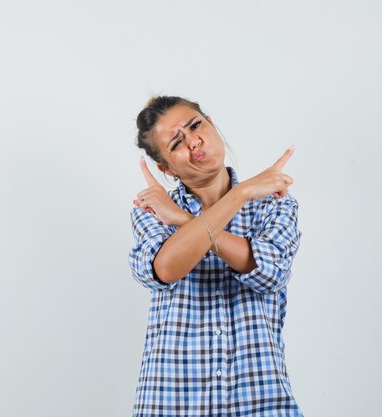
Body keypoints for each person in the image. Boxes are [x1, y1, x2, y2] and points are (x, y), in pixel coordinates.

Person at [128, 96, 303, 417]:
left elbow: (270, 273)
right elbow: (165, 269)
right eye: (176, 142)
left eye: (196, 125)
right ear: (165, 167)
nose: (193, 140)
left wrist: (184, 219)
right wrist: (241, 192)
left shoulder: (271, 204)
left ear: (211, 124)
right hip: (172, 401)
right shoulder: (152, 211)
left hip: (260, 398)